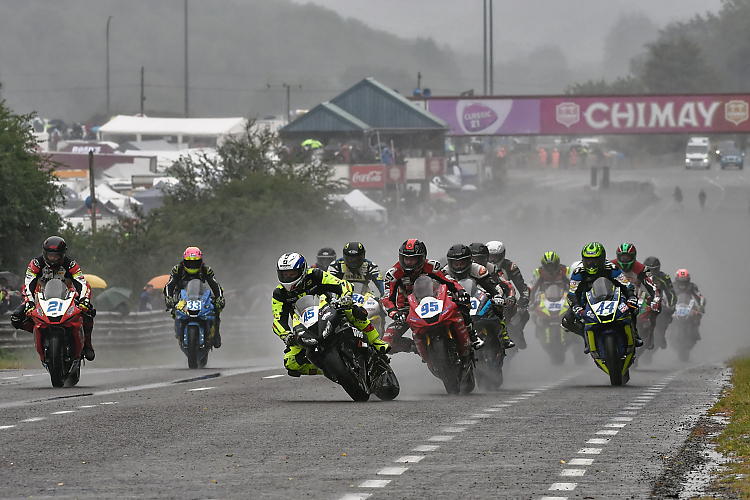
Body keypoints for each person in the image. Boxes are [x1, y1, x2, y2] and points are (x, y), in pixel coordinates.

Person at [272, 252, 390, 376]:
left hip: (329, 308)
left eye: (292, 273)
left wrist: (346, 297)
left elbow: (342, 284)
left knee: (354, 311)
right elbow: (277, 320)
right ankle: (328, 370)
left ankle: (376, 342)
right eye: (285, 275)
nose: (288, 277)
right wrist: (286, 335)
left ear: (302, 270)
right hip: (304, 324)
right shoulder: (279, 294)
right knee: (290, 362)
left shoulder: (315, 274)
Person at [381, 239, 483, 352]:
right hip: (407, 310)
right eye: (406, 259)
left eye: (413, 259)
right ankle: (416, 347)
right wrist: (394, 312)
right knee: (387, 343)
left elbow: (449, 281)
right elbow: (386, 297)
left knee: (462, 303)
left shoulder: (432, 266)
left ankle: (472, 335)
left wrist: (461, 292)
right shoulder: (393, 273)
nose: (408, 262)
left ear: (422, 258)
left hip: (436, 301)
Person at [10, 236, 96, 361]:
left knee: (89, 311)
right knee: (16, 318)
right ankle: (38, 331)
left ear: (63, 254)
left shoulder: (71, 263)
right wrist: (29, 302)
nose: (53, 259)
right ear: (44, 254)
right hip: (41, 295)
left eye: (56, 256)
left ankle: (87, 343)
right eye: (50, 255)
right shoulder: (35, 263)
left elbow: (81, 282)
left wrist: (84, 300)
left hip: (67, 295)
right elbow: (28, 284)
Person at [562, 242, 641, 353]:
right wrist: (576, 307)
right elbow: (572, 293)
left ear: (602, 258)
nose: (591, 264)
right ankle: (586, 337)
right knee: (567, 320)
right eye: (588, 260)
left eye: (595, 260)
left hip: (612, 298)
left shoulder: (612, 268)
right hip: (586, 301)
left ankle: (634, 333)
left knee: (633, 307)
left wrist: (632, 297)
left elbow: (626, 285)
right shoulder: (578, 272)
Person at [445, 244, 515, 349]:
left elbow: (491, 286)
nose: (459, 266)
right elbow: (439, 290)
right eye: (456, 264)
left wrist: (497, 296)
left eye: (462, 263)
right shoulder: (445, 272)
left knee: (498, 306)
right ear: (450, 263)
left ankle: (504, 336)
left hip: (478, 294)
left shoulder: (478, 269)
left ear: (469, 261)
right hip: (456, 299)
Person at [164, 247, 225, 349]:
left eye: (195, 263)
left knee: (216, 307)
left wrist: (220, 298)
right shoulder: (177, 269)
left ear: (201, 262)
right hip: (182, 296)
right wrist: (168, 298)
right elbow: (169, 285)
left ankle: (216, 332)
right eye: (189, 263)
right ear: (184, 262)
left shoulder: (206, 269)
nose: (192, 266)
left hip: (200, 295)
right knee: (174, 309)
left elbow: (215, 285)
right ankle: (179, 331)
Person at [483, 241, 531, 348]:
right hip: (484, 297)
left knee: (523, 314)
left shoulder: (510, 266)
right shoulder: (480, 266)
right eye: (490, 257)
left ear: (502, 255)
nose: (492, 260)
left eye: (495, 257)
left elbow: (522, 287)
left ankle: (517, 334)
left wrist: (523, 300)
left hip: (507, 298)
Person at [611, 243, 661, 335]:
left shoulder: (642, 268)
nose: (625, 260)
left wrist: (655, 299)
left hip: (635, 297)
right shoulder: (610, 265)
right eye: (622, 257)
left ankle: (650, 332)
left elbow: (651, 285)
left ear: (633, 257)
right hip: (612, 297)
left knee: (656, 308)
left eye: (627, 257)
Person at [643, 256, 676, 348]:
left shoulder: (664, 277)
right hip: (641, 303)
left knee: (665, 315)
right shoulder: (638, 276)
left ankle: (661, 334)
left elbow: (671, 293)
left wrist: (671, 306)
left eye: (654, 270)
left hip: (658, 304)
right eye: (650, 270)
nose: (652, 272)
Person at [673, 269, 707, 338]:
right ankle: (667, 332)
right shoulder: (672, 286)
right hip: (675, 305)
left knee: (697, 314)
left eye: (684, 282)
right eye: (680, 282)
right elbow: (665, 296)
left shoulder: (692, 286)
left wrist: (701, 306)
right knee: (665, 315)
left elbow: (700, 297)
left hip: (689, 306)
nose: (682, 285)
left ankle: (695, 331)